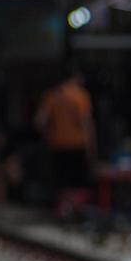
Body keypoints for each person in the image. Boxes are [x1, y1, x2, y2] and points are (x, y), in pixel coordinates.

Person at [35, 64, 94, 212]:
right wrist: (91, 146)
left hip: (57, 145)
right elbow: (85, 122)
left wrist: (49, 134)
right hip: (77, 144)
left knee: (62, 182)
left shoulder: (52, 96)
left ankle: (64, 210)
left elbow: (39, 121)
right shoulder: (80, 96)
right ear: (76, 77)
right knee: (76, 183)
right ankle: (73, 211)